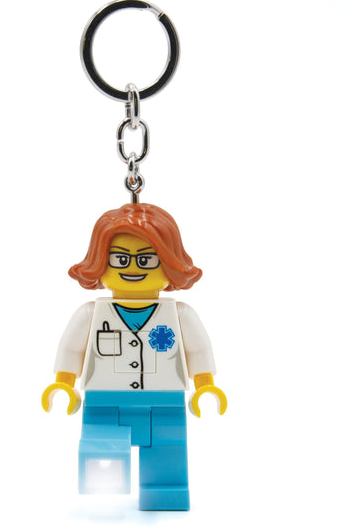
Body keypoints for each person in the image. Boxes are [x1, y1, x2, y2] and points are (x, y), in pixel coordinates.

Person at [41, 203, 227, 511]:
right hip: (104, 401)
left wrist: (205, 386)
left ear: (168, 262)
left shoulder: (179, 315)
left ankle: (164, 493)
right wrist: (64, 383)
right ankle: (106, 501)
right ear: (101, 262)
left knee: (167, 453)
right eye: (120, 259)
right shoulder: (91, 314)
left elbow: (198, 350)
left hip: (165, 401)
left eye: (146, 259)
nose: (132, 268)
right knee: (102, 457)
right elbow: (72, 349)